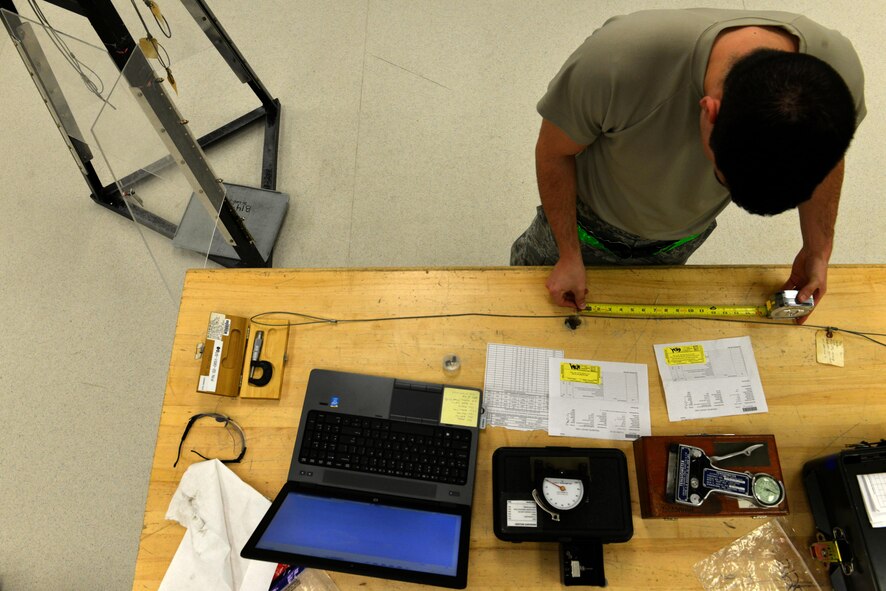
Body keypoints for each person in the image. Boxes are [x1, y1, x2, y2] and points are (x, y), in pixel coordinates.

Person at [511, 8, 866, 318]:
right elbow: (554, 152)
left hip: (679, 240)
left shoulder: (834, 79)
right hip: (583, 222)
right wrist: (568, 255)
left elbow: (827, 159)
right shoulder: (615, 63)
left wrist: (818, 250)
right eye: (720, 178)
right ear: (710, 111)